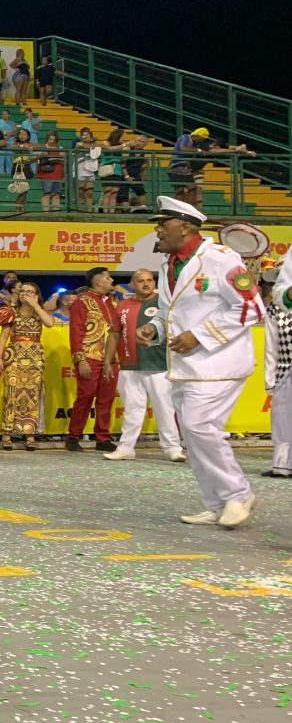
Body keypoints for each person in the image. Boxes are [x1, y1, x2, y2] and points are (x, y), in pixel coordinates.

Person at [137, 196, 263, 528]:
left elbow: (251, 308)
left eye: (164, 223)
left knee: (199, 427)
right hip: (185, 367)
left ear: (187, 227)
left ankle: (238, 494)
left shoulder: (222, 259)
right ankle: (216, 502)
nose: (158, 229)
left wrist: (200, 335)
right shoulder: (168, 265)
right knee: (193, 435)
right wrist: (155, 329)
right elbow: (169, 312)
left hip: (219, 363)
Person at [102, 269, 185, 462]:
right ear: (132, 284)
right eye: (140, 281)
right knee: (132, 409)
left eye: (149, 280)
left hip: (159, 365)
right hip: (129, 365)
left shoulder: (164, 304)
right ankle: (126, 448)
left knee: (165, 408)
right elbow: (114, 334)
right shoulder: (122, 305)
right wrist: (108, 361)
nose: (146, 284)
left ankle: (172, 448)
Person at [0, 281, 57, 450]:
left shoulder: (39, 312)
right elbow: (3, 336)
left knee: (33, 395)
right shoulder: (11, 312)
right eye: (23, 291)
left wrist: (36, 306)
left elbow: (50, 323)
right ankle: (6, 434)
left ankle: (30, 435)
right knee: (11, 393)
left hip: (35, 358)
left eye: (30, 292)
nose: (26, 294)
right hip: (14, 355)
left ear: (36, 295)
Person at [65, 266, 119, 451]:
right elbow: (75, 332)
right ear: (98, 280)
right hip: (90, 357)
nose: (112, 280)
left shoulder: (112, 303)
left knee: (107, 398)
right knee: (85, 397)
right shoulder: (82, 302)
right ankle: (73, 436)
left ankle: (102, 437)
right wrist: (80, 359)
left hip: (111, 359)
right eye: (108, 277)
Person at [265, 257, 292, 478]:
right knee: (282, 420)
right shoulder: (275, 310)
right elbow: (270, 348)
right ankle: (282, 464)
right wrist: (269, 381)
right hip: (286, 368)